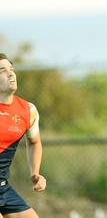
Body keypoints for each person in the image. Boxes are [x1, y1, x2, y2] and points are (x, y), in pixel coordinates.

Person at [0, 53, 46, 217]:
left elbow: (34, 142)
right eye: (2, 70)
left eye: (11, 69)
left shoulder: (28, 110)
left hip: (2, 188)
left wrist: (35, 172)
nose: (10, 73)